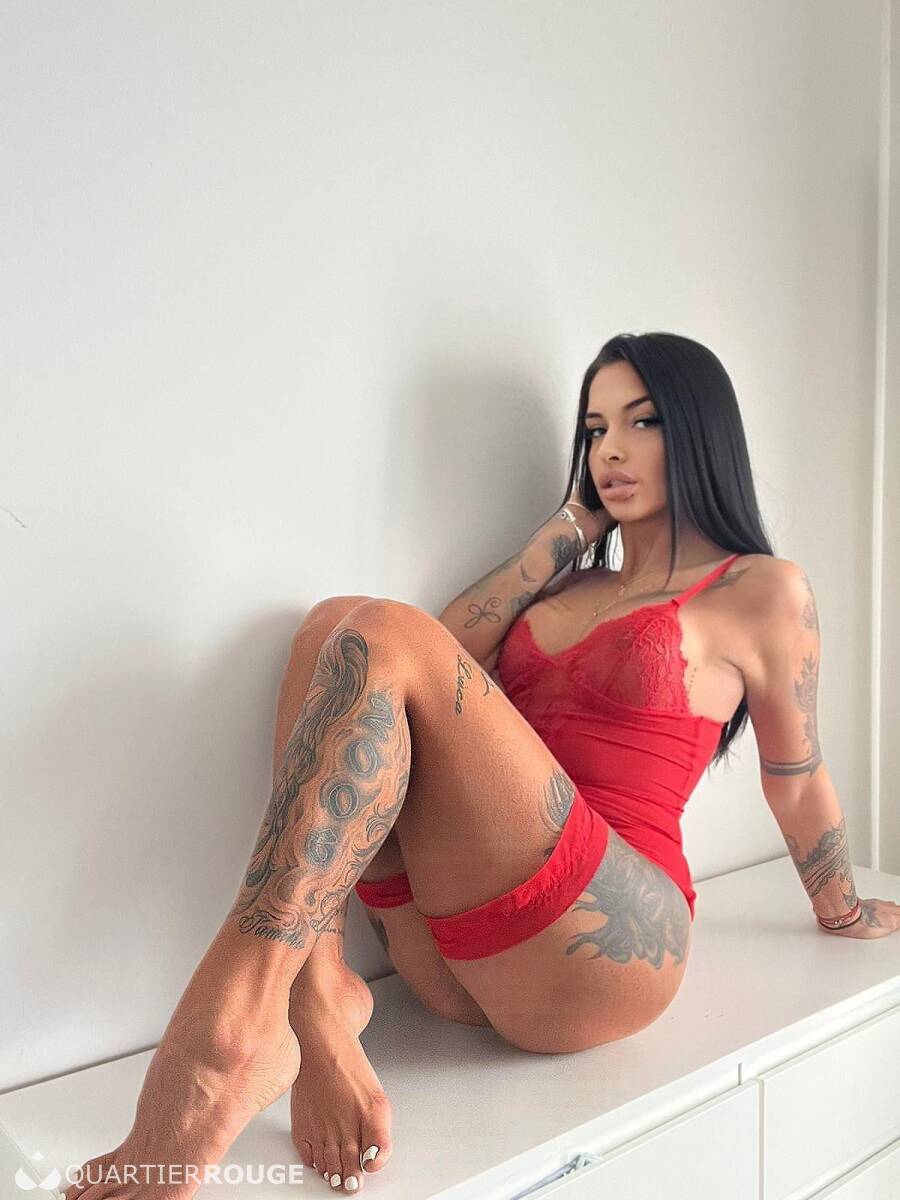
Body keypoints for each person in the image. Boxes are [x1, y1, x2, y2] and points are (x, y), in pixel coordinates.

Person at [63, 332, 900, 1200]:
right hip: (455, 964)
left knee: (376, 630)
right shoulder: (569, 585)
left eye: (642, 422)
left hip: (603, 951)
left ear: (700, 430)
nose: (611, 450)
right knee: (332, 628)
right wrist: (566, 533)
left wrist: (840, 908)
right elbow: (423, 653)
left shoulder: (761, 589)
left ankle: (225, 1038)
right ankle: (314, 1003)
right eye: (595, 430)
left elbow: (796, 776)